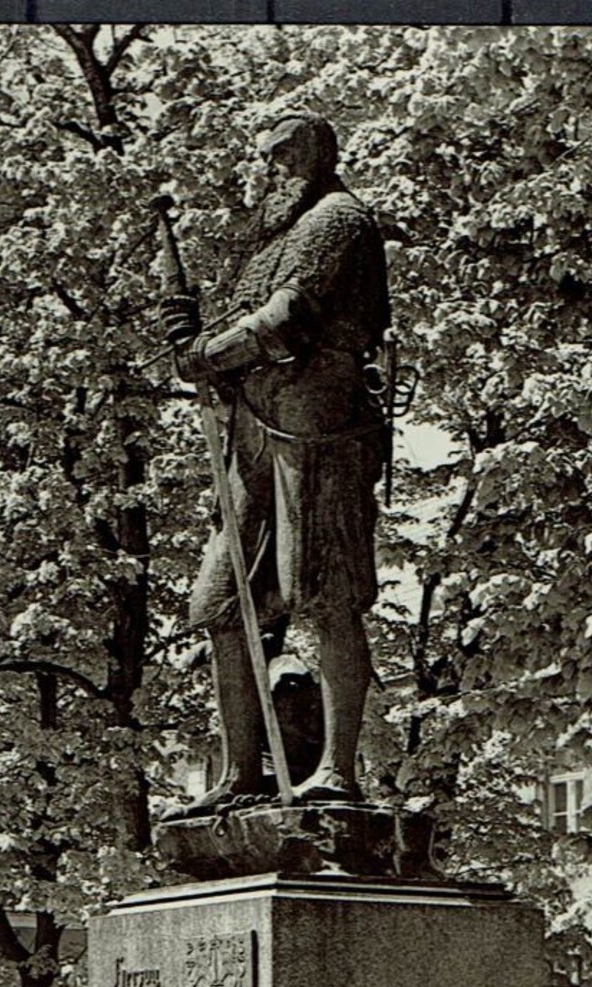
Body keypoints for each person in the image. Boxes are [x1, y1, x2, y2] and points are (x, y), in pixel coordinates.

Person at [163, 112, 389, 812]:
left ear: (319, 153)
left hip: (316, 428)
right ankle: (239, 775)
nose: (273, 169)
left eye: (285, 155)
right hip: (254, 433)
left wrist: (209, 354)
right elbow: (238, 319)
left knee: (320, 593)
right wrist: (199, 349)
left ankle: (336, 773)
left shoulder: (338, 219)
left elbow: (286, 317)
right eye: (264, 158)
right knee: (221, 604)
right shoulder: (267, 244)